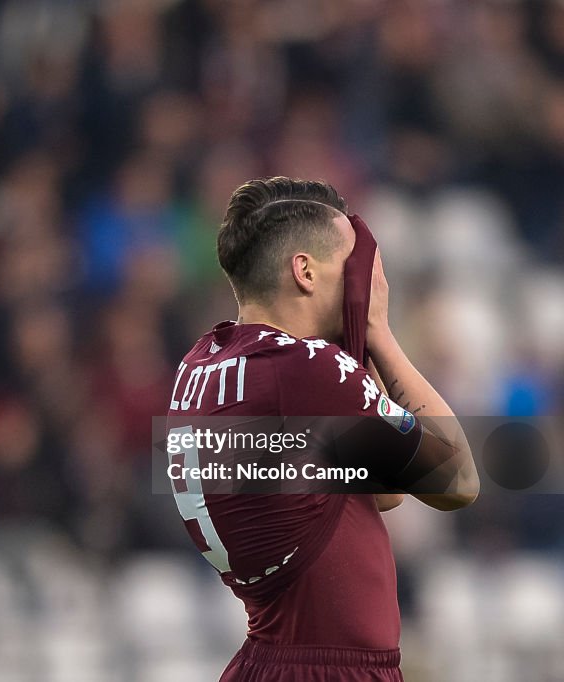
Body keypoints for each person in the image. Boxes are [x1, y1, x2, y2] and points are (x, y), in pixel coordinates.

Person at [165, 177, 479, 681]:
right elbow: (457, 479)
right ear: (305, 271)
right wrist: (377, 330)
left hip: (268, 659)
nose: (360, 286)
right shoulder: (303, 369)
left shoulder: (202, 364)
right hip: (330, 668)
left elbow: (384, 493)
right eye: (349, 269)